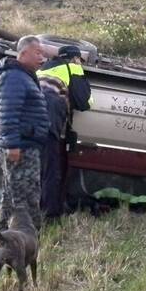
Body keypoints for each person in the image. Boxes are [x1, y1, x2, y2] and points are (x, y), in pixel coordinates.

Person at [0, 36, 49, 232]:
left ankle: (4, 240)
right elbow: (8, 112)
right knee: (25, 199)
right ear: (23, 53)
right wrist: (13, 145)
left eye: (43, 54)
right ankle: (24, 241)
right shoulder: (14, 78)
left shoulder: (24, 76)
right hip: (20, 147)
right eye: (38, 53)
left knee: (12, 196)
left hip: (27, 145)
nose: (42, 58)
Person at [37, 45, 93, 219]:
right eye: (79, 60)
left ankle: (23, 211)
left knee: (31, 167)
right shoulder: (71, 68)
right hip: (48, 119)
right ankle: (49, 215)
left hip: (27, 117)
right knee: (50, 170)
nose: (80, 63)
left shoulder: (41, 69)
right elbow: (84, 102)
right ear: (74, 58)